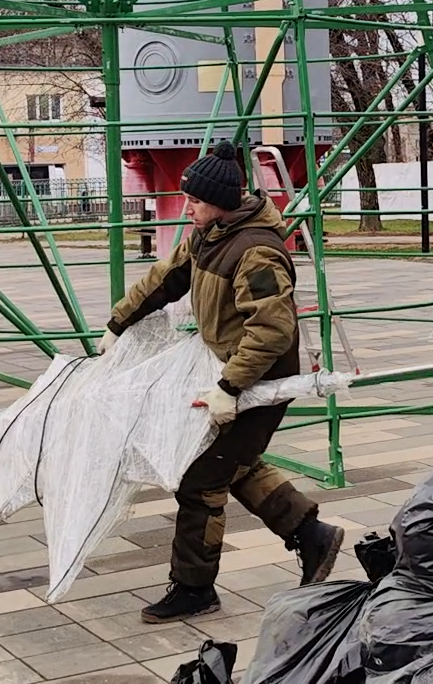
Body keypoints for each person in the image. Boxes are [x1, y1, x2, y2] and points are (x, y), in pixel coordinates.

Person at [100, 140, 343, 623]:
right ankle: (312, 535)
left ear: (220, 202)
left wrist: (230, 389)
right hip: (231, 372)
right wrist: (117, 323)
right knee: (233, 465)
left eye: (193, 200)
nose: (186, 206)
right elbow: (167, 277)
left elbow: (272, 330)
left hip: (260, 380)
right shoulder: (208, 235)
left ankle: (194, 589)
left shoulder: (255, 251)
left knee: (200, 480)